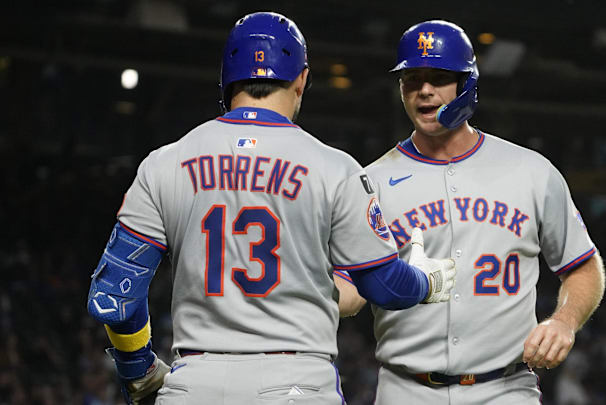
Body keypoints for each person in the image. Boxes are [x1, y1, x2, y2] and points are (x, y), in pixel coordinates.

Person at [85, 12, 455, 404]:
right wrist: (426, 281)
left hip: (194, 384)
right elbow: (384, 286)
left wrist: (137, 370)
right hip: (297, 382)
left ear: (227, 79)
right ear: (302, 79)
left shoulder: (165, 163)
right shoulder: (334, 167)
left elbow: (115, 297)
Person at [356, 20, 606, 404]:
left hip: (505, 389)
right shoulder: (370, 181)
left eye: (438, 77)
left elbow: (583, 266)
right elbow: (347, 285)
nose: (424, 90)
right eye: (412, 78)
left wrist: (563, 321)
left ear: (466, 84)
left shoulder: (531, 171)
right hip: (405, 389)